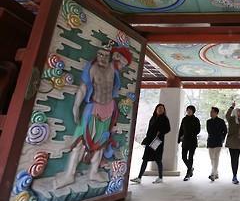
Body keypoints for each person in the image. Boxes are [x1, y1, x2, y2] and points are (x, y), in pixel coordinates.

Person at [55, 40, 131, 189]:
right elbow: (83, 88)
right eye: (100, 54)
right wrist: (76, 106)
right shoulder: (92, 68)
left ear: (111, 56)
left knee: (102, 142)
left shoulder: (113, 68)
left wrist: (119, 53)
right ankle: (69, 174)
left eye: (106, 55)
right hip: (94, 107)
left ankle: (93, 172)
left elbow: (126, 60)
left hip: (109, 108)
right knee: (80, 140)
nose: (102, 57)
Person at [130, 104, 171, 184]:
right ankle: (139, 178)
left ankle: (160, 178)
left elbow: (168, 129)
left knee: (158, 159)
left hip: (157, 141)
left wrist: (160, 132)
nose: (160, 109)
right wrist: (146, 138)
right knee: (145, 159)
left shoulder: (165, 118)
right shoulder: (153, 118)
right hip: (149, 140)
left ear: (164, 110)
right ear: (156, 109)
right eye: (159, 108)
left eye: (162, 108)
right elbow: (149, 129)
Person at [178, 105, 200, 181]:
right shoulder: (184, 119)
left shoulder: (196, 119)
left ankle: (188, 174)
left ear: (193, 111)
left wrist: (191, 134)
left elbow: (198, 130)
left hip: (192, 141)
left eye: (190, 110)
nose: (188, 111)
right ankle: (190, 168)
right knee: (183, 157)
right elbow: (181, 130)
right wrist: (179, 138)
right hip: (185, 141)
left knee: (190, 157)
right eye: (187, 110)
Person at [225, 102, 240, 184]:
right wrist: (232, 107)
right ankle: (234, 175)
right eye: (238, 111)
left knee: (236, 159)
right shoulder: (231, 119)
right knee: (233, 159)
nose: (239, 113)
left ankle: (235, 176)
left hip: (239, 142)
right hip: (231, 142)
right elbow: (227, 115)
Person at [206, 107, 227, 182]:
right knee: (212, 158)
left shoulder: (221, 121)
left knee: (216, 158)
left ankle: (213, 174)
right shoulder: (208, 121)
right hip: (210, 141)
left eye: (212, 112)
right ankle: (216, 173)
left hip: (218, 141)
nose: (210, 113)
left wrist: (222, 139)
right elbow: (209, 131)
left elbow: (225, 131)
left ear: (216, 113)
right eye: (210, 112)